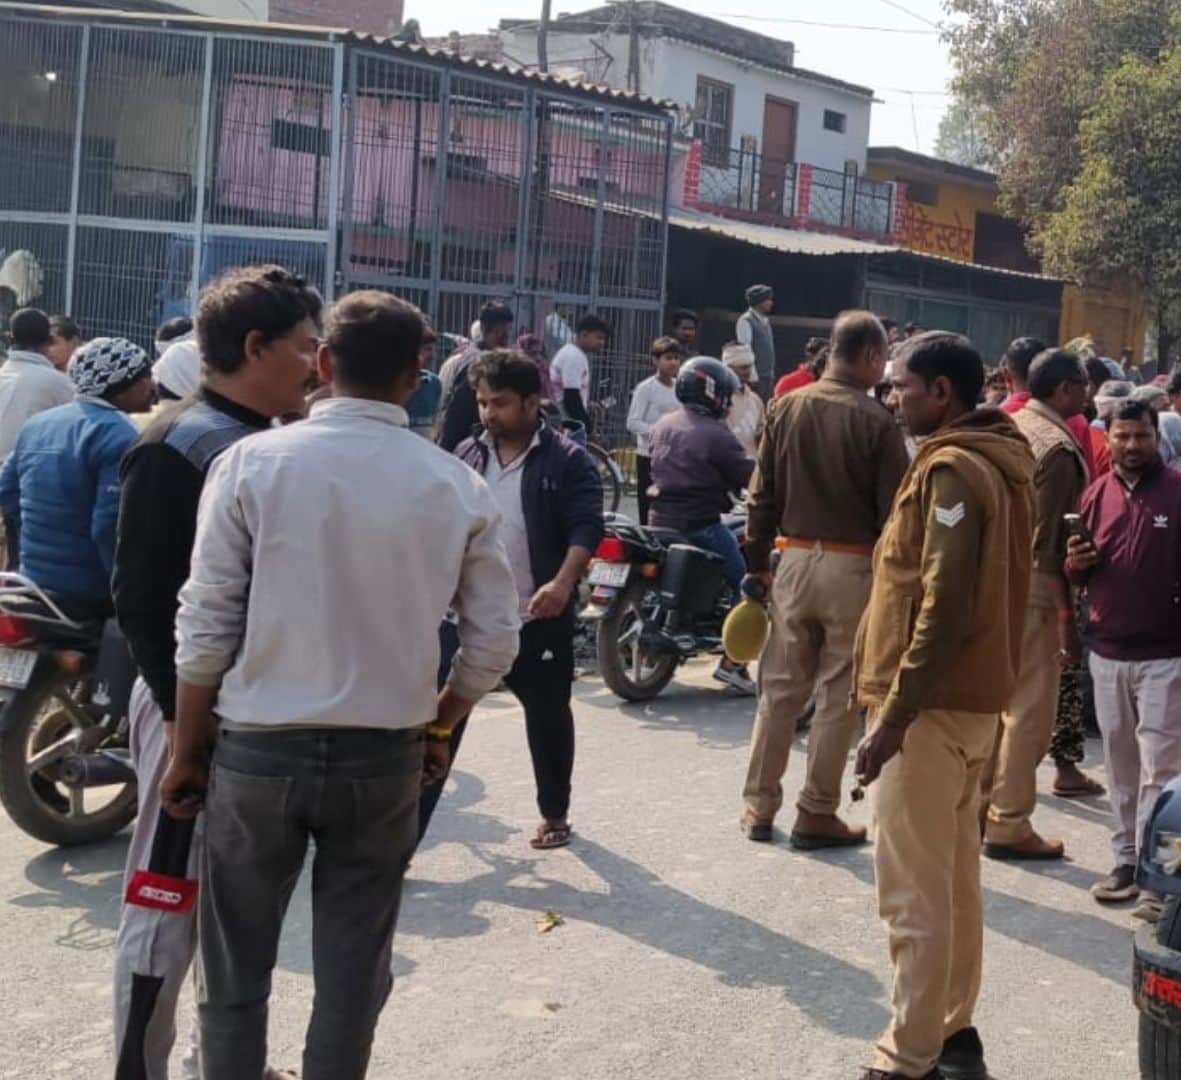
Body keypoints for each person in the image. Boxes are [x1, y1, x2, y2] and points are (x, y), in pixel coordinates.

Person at [162, 290, 521, 1080]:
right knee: (355, 972)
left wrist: (186, 749)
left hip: (257, 752)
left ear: (323, 363)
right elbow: (495, 640)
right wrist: (442, 721)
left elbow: (205, 621)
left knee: (233, 968)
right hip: (384, 759)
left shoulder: (251, 464)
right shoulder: (455, 485)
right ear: (416, 378)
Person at [111, 265, 323, 1080]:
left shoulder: (262, 441)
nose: (315, 365)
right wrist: (181, 725)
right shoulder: (180, 443)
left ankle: (222, 1063)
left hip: (248, 710)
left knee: (233, 906)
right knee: (167, 897)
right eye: (304, 348)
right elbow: (140, 594)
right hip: (187, 709)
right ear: (255, 346)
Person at [851, 331, 1034, 1080]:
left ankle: (910, 1053)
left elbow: (943, 602)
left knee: (914, 896)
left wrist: (895, 716)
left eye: (901, 386)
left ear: (942, 393)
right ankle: (952, 1032)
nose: (892, 397)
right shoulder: (996, 459)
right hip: (968, 706)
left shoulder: (954, 468)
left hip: (928, 710)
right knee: (953, 886)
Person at [421, 350, 603, 849]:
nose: (488, 413)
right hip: (460, 618)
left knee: (547, 717)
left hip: (535, 614)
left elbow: (586, 527)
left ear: (531, 403)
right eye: (482, 403)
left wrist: (562, 584)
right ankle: (402, 842)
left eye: (499, 403)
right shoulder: (467, 455)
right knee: (437, 726)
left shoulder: (567, 460)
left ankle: (554, 814)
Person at [740, 310, 908, 849]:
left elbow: (760, 497)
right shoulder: (877, 421)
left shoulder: (785, 406)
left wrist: (758, 562)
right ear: (871, 356)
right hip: (854, 567)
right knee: (839, 694)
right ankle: (816, 811)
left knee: (779, 690)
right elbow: (895, 516)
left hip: (792, 560)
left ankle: (758, 805)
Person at [1066, 400, 1181, 922]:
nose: (1132, 446)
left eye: (1141, 436)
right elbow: (1077, 572)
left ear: (1155, 438)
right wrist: (1075, 564)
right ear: (1109, 439)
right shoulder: (1096, 494)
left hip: (1167, 656)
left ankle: (1156, 878)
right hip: (1107, 653)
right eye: (1122, 437)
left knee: (1160, 770)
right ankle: (1125, 861)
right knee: (1120, 766)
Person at [982, 348, 1091, 860]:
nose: (1089, 395)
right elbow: (1049, 546)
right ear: (1065, 389)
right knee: (1030, 711)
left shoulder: (1007, 425)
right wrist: (1066, 618)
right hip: (1033, 587)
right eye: (1083, 385)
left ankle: (982, 807)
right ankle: (1008, 821)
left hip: (991, 578)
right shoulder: (1058, 449)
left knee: (994, 705)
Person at [0, 337, 151, 613]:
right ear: (128, 384)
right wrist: (127, 592)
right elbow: (108, 526)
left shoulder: (37, 425)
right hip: (88, 593)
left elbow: (7, 491)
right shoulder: (121, 434)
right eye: (145, 378)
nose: (151, 386)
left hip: (32, 582)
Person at [648, 355, 758, 693]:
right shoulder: (716, 434)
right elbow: (749, 476)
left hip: (658, 522)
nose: (728, 402)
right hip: (700, 525)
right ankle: (733, 664)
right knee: (750, 585)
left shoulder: (664, 423)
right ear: (713, 393)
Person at [435, 300, 513, 452]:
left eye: (507, 332)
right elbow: (457, 412)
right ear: (485, 329)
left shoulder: (470, 355)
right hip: (465, 443)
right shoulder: (480, 362)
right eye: (499, 332)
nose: (505, 338)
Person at [0, 309, 77, 463]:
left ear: (10, 338)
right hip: (26, 471)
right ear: (50, 340)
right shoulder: (59, 383)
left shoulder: (4, 374)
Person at [625, 336, 684, 520]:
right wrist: (659, 432)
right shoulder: (646, 388)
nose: (673, 362)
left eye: (676, 358)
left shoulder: (680, 387)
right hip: (649, 455)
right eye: (668, 358)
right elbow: (633, 422)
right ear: (656, 361)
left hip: (674, 456)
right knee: (648, 508)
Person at [552, 313, 607, 428]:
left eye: (603, 339)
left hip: (562, 417)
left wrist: (587, 404)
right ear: (584, 334)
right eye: (599, 337)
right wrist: (587, 427)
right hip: (565, 421)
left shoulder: (574, 353)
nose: (602, 343)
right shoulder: (574, 356)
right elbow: (571, 397)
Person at [721, 342, 765, 451]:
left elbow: (762, 437)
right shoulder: (718, 398)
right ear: (729, 368)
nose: (748, 372)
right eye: (743, 367)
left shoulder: (755, 400)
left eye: (750, 366)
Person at [736, 284, 776, 391]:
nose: (771, 303)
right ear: (759, 301)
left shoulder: (765, 321)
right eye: (767, 300)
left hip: (767, 377)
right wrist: (753, 378)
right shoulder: (746, 321)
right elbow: (746, 350)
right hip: (756, 379)